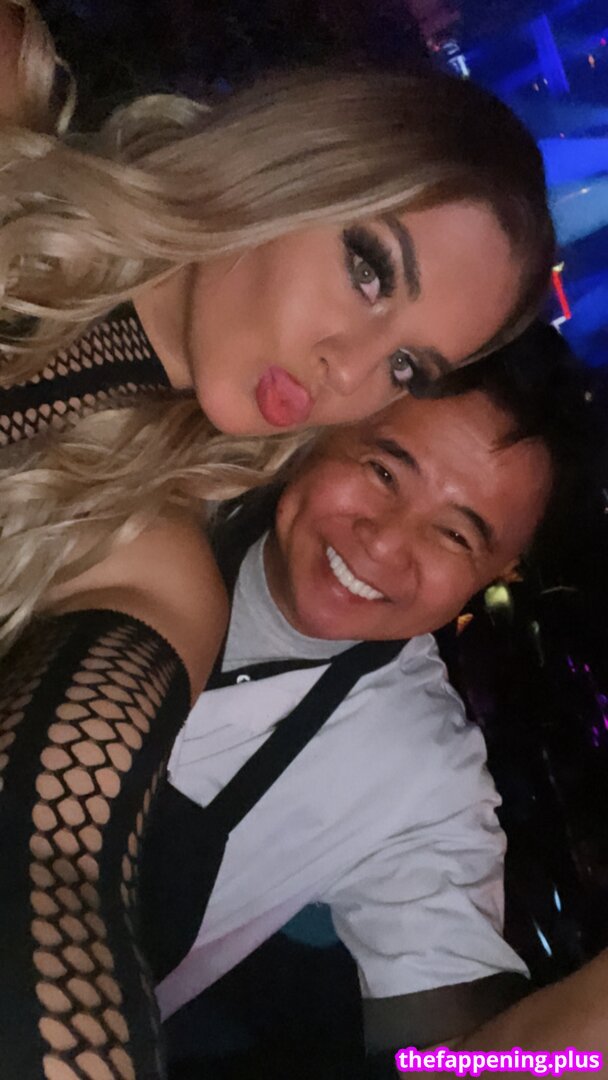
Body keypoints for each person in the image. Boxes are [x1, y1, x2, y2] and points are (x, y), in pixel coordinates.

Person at [0, 5, 557, 1078]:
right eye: (369, 269)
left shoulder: (151, 563)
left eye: (404, 367)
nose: (350, 370)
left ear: (490, 584)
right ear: (296, 161)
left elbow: (456, 1068)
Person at [140, 326, 604, 1077]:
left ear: (496, 575)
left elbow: (449, 1066)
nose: (383, 544)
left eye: (455, 535)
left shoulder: (418, 772)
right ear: (327, 430)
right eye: (384, 472)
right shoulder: (148, 479)